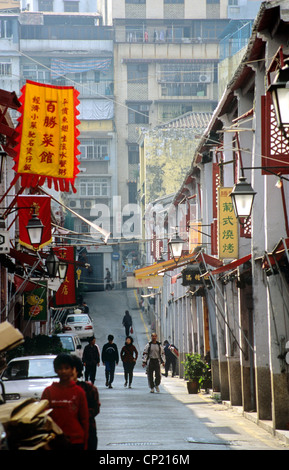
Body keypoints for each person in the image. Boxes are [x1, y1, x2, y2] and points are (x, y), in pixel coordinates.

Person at [41, 353, 89, 450]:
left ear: (72, 369)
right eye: (60, 368)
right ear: (55, 370)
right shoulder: (48, 392)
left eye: (66, 368)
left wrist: (85, 443)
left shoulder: (79, 392)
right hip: (55, 441)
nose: (63, 371)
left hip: (76, 441)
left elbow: (84, 419)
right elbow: (44, 418)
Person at [71, 355, 101, 450]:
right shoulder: (54, 390)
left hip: (87, 430)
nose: (66, 372)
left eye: (70, 368)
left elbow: (95, 408)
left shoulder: (88, 389)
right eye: (62, 368)